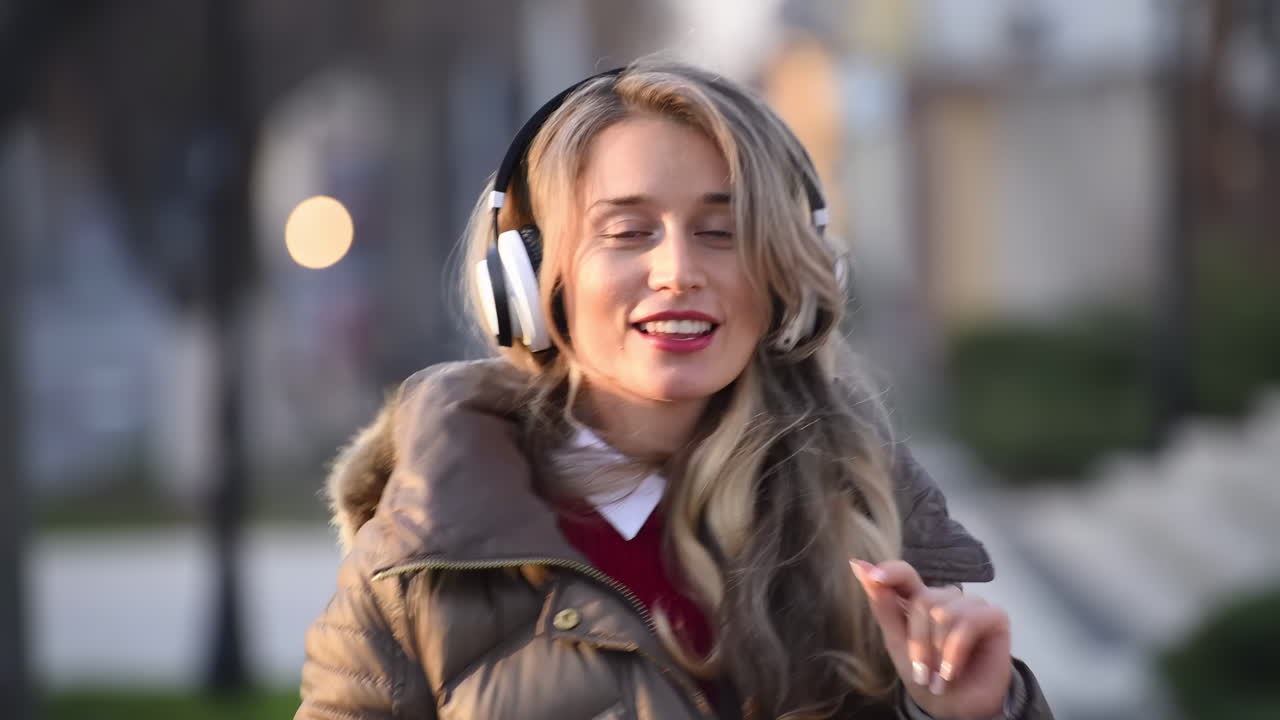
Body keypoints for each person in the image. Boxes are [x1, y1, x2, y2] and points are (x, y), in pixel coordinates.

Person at [296, 58, 1054, 720]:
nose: (678, 271)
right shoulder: (422, 550)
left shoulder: (873, 518)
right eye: (628, 232)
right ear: (529, 284)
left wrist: (965, 715)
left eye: (722, 232)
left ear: (789, 279)